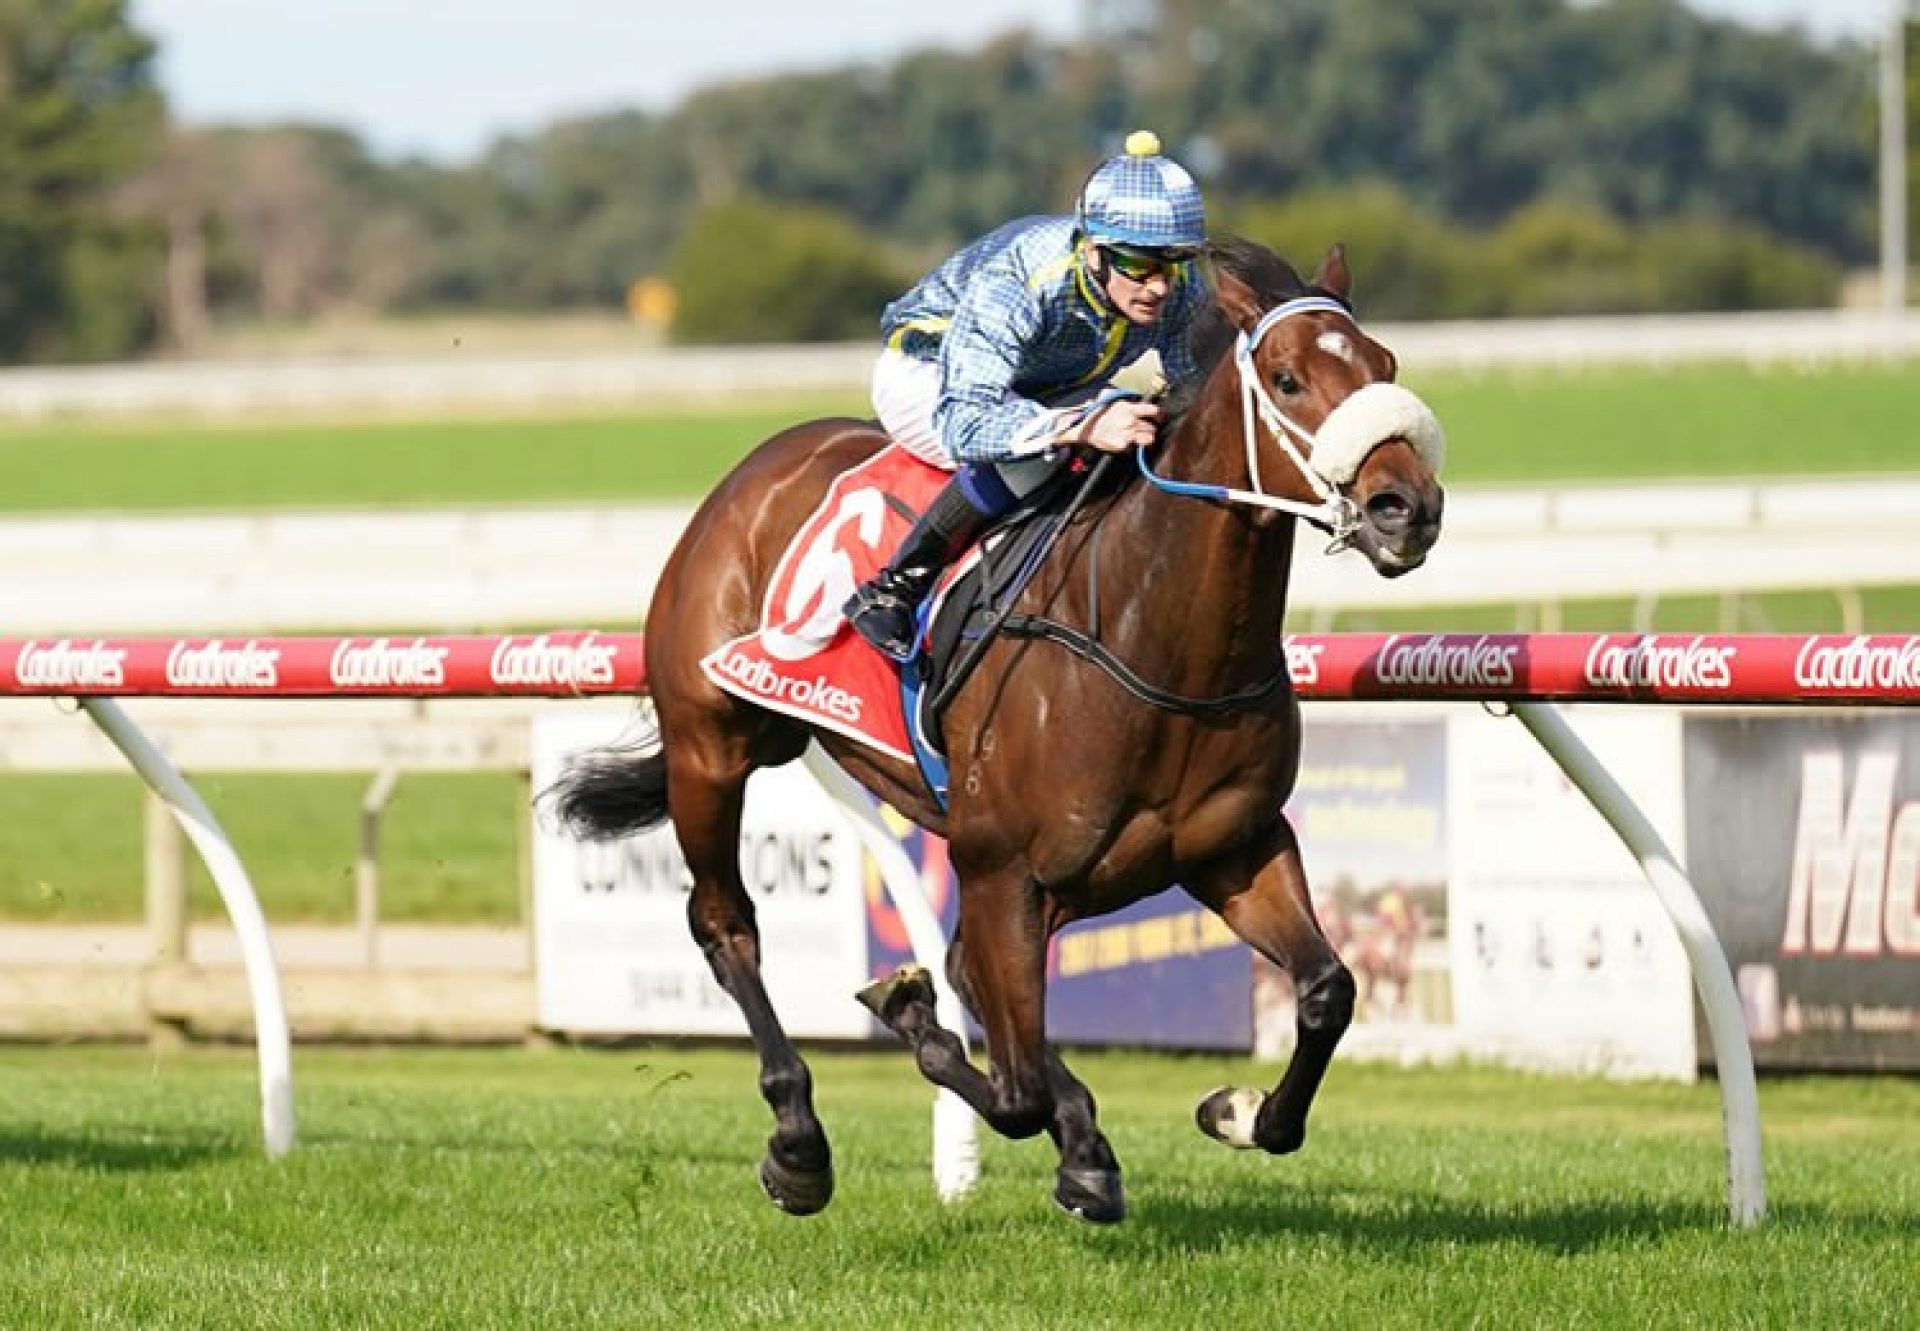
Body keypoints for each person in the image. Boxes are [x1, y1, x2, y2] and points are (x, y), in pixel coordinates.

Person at [842, 130, 1213, 661]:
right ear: (1093, 251)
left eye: (1174, 263)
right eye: (1139, 263)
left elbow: (1193, 389)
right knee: (1042, 456)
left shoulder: (1179, 289)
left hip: (1044, 383)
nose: (1159, 285)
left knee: (1145, 431)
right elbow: (965, 424)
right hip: (931, 374)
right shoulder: (1020, 278)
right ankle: (895, 587)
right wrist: (1079, 427)